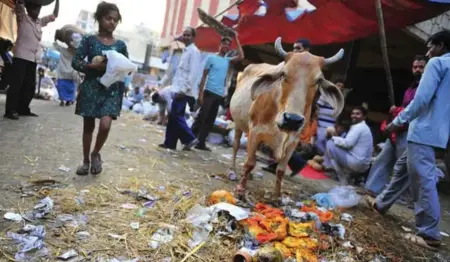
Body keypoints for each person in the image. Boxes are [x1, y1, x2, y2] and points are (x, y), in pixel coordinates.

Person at [384, 30, 450, 251]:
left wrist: (398, 120)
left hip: (423, 129)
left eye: (431, 46)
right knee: (403, 168)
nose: (428, 51)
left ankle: (429, 234)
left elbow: (421, 100)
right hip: (439, 132)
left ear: (441, 46)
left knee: (422, 180)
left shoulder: (438, 63)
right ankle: (381, 203)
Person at [72, 1, 128, 176]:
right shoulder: (89, 40)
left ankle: (96, 153)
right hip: (91, 87)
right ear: (99, 18)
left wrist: (120, 74)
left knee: (105, 124)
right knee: (88, 127)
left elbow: (126, 67)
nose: (112, 22)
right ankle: (85, 161)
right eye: (108, 18)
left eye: (115, 20)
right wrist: (91, 67)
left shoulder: (120, 45)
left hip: (111, 89)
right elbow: (76, 61)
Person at [364, 55, 426, 196]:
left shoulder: (425, 88)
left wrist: (400, 113)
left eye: (421, 67)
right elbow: (406, 108)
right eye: (415, 67)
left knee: (403, 166)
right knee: (383, 158)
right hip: (398, 129)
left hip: (411, 131)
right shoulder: (410, 88)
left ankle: (408, 197)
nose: (417, 69)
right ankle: (372, 189)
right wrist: (396, 110)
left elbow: (417, 109)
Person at [4, 0, 58, 120]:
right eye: (34, 9)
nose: (37, 12)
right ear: (28, 9)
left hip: (33, 59)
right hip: (21, 56)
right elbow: (19, 3)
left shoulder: (40, 22)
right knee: (16, 85)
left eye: (39, 9)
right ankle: (10, 110)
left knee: (29, 85)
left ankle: (23, 109)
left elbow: (54, 15)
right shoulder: (22, 17)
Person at [191, 35, 244, 151]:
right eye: (224, 44)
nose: (226, 46)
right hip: (208, 91)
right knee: (201, 117)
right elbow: (204, 76)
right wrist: (200, 94)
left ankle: (201, 143)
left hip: (218, 94)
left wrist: (237, 39)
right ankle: (189, 138)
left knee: (210, 119)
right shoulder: (211, 58)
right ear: (220, 45)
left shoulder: (227, 60)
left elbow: (241, 56)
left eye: (228, 45)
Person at [158, 27, 202, 150]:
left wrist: (183, 90)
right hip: (177, 88)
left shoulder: (194, 52)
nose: (185, 37)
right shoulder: (185, 51)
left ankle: (190, 138)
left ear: (193, 37)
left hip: (183, 91)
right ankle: (170, 143)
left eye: (188, 35)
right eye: (184, 35)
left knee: (176, 115)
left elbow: (193, 74)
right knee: (173, 116)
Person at [323, 106, 373, 185]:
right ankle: (342, 174)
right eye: (353, 113)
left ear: (364, 117)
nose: (354, 115)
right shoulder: (363, 127)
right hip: (362, 164)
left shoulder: (359, 127)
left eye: (357, 114)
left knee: (330, 143)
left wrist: (333, 137)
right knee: (334, 143)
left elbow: (347, 144)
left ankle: (340, 176)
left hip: (357, 162)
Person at [316, 79, 346, 154]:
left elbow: (338, 116)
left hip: (331, 127)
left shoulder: (340, 100)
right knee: (320, 143)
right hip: (321, 125)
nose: (340, 88)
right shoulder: (326, 96)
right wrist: (315, 122)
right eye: (338, 85)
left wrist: (336, 126)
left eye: (342, 87)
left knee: (329, 145)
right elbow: (316, 108)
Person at [54, 33, 81, 106]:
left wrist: (55, 38)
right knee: (70, 88)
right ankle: (68, 100)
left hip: (62, 73)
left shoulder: (63, 50)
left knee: (62, 87)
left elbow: (55, 45)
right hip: (71, 74)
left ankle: (62, 100)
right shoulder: (77, 53)